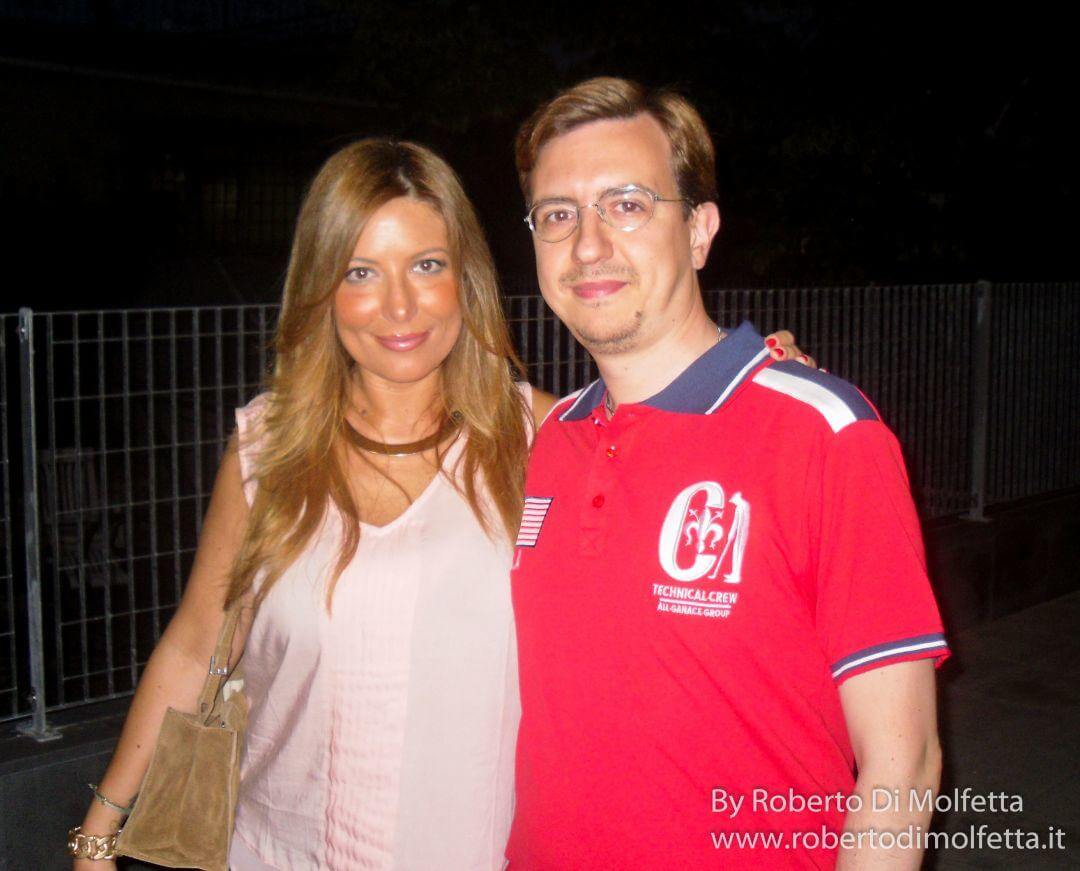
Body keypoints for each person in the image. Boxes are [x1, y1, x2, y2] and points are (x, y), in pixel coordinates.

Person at [70, 138, 805, 870]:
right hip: (274, 852)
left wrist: (761, 383)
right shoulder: (268, 448)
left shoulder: (546, 439)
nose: (399, 305)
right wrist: (99, 832)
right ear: (322, 289)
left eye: (427, 266)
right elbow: (198, 641)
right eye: (361, 272)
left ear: (466, 280)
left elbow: (689, 463)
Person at [507, 78, 950, 870]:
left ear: (700, 230)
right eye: (558, 214)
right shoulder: (549, 439)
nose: (588, 245)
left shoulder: (825, 434)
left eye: (628, 204)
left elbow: (903, 764)